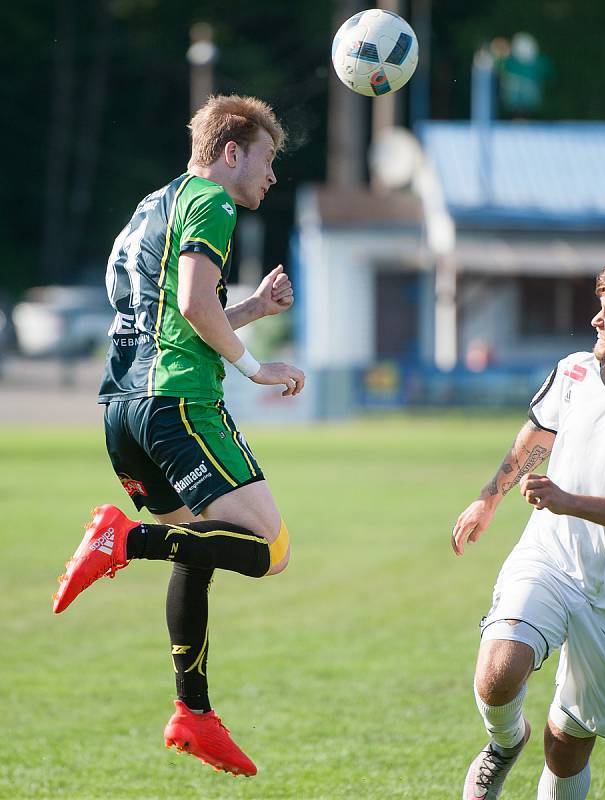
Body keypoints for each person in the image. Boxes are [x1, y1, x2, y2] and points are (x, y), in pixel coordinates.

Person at [52, 94, 305, 778]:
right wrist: (258, 369)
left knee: (198, 550)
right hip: (178, 405)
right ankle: (122, 540)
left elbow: (172, 309)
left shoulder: (151, 204)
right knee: (270, 549)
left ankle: (193, 712)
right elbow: (194, 306)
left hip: (123, 410)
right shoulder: (213, 201)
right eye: (266, 159)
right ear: (231, 152)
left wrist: (249, 309)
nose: (270, 176)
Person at [453, 254, 605, 800]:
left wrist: (568, 500)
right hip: (550, 557)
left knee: (567, 745)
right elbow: (536, 439)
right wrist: (487, 500)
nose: (595, 319)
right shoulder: (573, 370)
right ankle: (502, 743)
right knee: (498, 672)